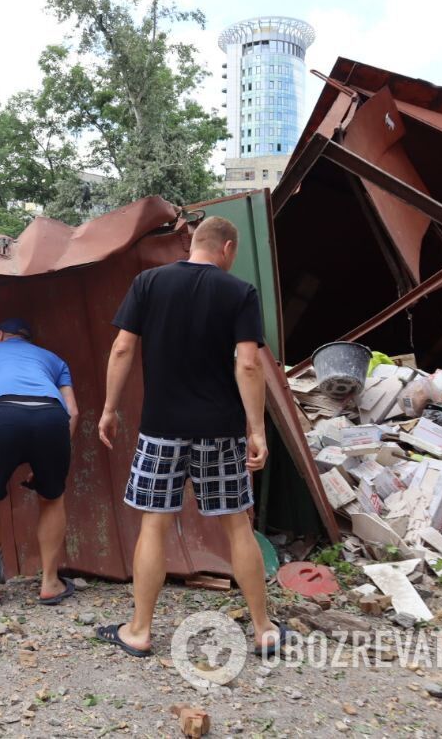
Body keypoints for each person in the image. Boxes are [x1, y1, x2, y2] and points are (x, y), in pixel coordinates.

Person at [96, 216, 283, 657]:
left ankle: (139, 631)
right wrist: (256, 430)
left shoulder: (148, 283)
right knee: (237, 526)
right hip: (220, 431)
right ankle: (263, 629)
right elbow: (249, 365)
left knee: (154, 526)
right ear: (228, 248)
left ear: (194, 244)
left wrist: (108, 409)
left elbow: (122, 347)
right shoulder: (239, 292)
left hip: (161, 428)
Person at [0, 318, 79, 607]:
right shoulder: (53, 359)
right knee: (52, 499)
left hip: (2, 414)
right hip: (51, 416)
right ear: (28, 339)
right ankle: (50, 583)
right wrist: (56, 451)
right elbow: (73, 411)